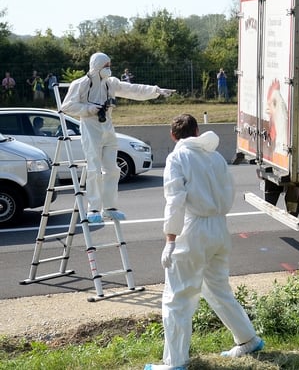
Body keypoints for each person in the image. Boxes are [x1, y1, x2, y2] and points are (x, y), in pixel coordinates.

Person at [145, 114, 263, 370]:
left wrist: (170, 239)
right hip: (219, 227)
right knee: (217, 288)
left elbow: (174, 200)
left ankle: (175, 362)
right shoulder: (216, 156)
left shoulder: (177, 157)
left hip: (193, 229)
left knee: (177, 297)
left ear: (173, 136)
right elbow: (229, 191)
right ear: (198, 131)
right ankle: (247, 339)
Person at [61, 52, 175, 224]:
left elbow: (132, 89)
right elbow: (67, 106)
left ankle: (109, 207)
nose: (108, 68)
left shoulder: (110, 83)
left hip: (107, 126)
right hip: (90, 128)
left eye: (109, 65)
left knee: (112, 169)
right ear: (97, 65)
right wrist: (89, 109)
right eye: (106, 65)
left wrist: (156, 91)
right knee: (94, 169)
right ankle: (93, 208)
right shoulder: (81, 83)